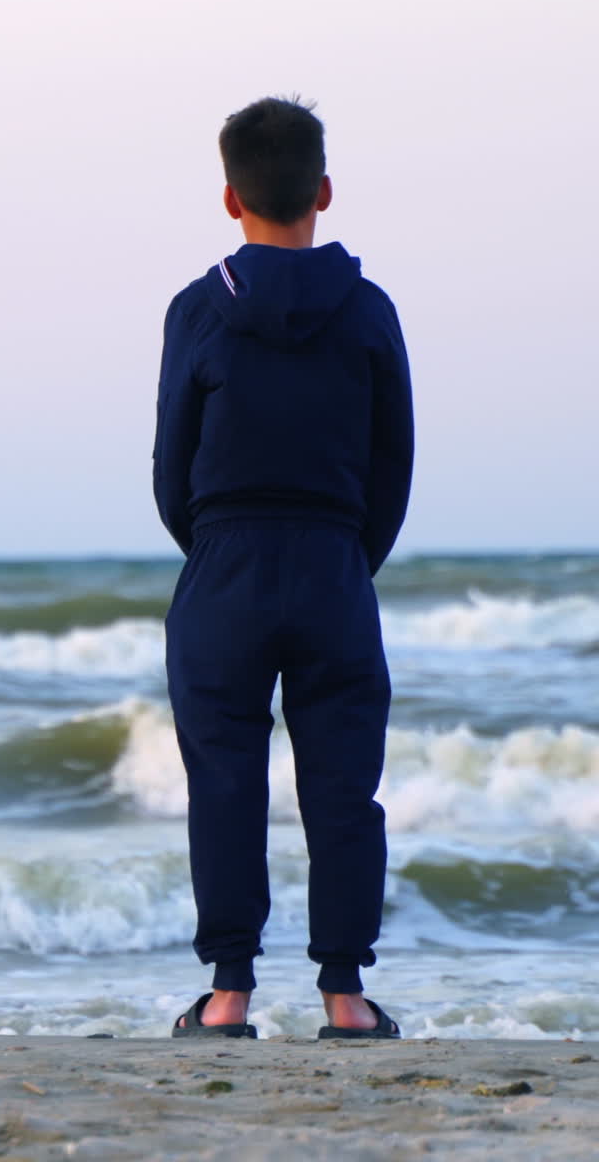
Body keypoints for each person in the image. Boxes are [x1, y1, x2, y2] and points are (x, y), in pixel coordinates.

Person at [152, 96, 413, 1039]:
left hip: (224, 561)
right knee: (344, 784)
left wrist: (220, 547)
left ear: (231, 197)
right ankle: (345, 997)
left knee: (224, 778)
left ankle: (228, 995)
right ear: (325, 192)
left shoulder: (198, 310)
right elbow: (395, 463)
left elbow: (170, 468)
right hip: (335, 561)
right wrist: (348, 555)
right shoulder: (371, 312)